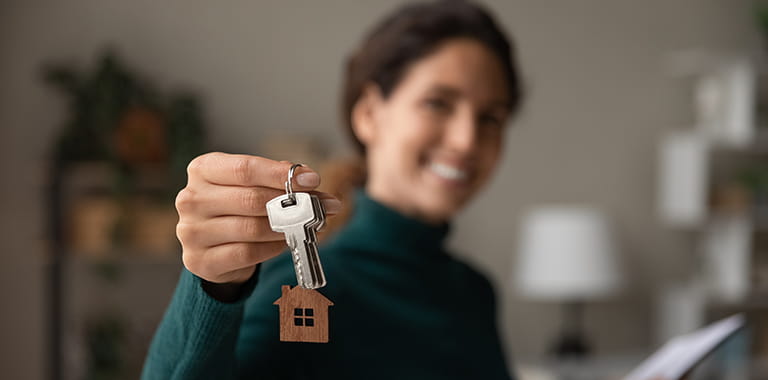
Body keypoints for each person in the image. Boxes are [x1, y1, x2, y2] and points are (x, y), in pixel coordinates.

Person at [142, 1, 524, 379]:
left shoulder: (475, 293)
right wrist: (213, 286)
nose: (467, 140)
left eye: (490, 117)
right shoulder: (298, 287)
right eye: (438, 103)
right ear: (369, 114)